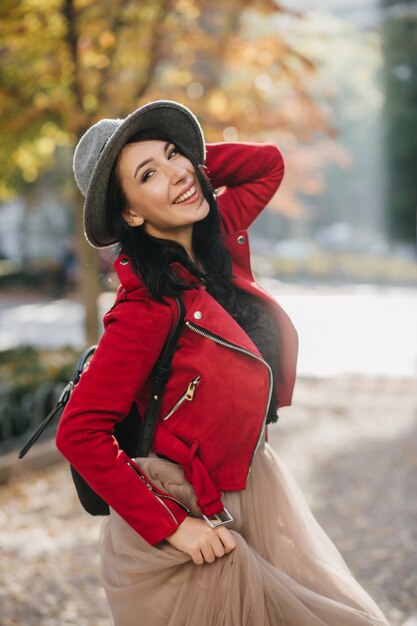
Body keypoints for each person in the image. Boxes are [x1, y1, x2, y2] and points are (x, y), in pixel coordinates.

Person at [56, 100, 389, 626]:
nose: (177, 173)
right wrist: (173, 526)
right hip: (188, 508)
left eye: (173, 155)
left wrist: (185, 166)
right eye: (149, 174)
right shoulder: (144, 309)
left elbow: (266, 165)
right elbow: (78, 433)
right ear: (132, 214)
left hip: (251, 485)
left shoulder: (213, 239)